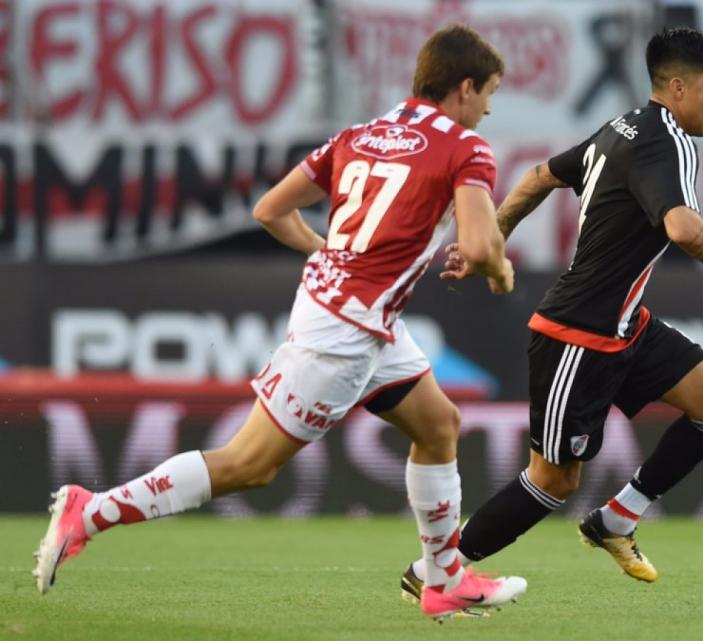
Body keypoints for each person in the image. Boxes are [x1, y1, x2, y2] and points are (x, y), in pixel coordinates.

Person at [34, 23, 527, 621]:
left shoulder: (360, 133)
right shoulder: (466, 148)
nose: (491, 107)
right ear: (465, 86)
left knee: (438, 425)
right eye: (490, 92)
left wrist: (329, 252)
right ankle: (90, 511)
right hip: (345, 333)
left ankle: (445, 578)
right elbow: (478, 246)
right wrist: (499, 273)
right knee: (249, 465)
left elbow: (270, 209)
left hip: (356, 315)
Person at [401, 26, 703, 598]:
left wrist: (498, 234)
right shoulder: (669, 142)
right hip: (578, 335)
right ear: (679, 88)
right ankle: (433, 574)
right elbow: (682, 227)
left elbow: (540, 176)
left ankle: (617, 518)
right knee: (554, 480)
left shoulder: (622, 128)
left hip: (625, 325)